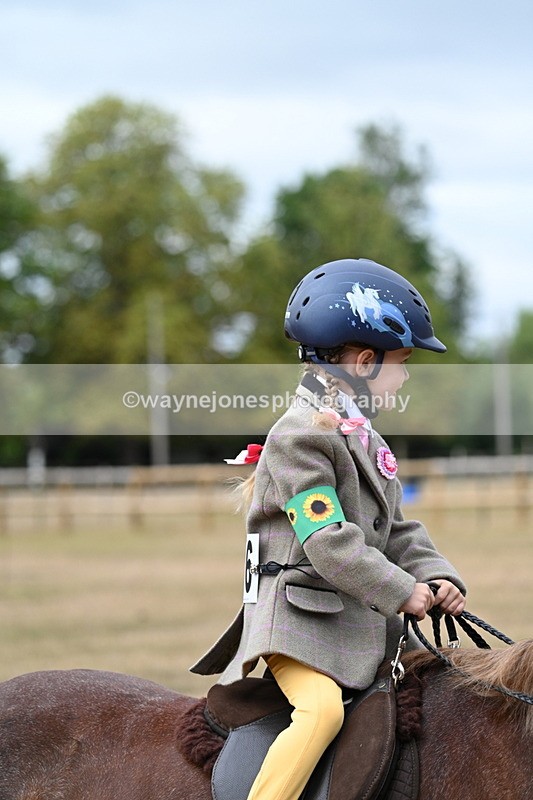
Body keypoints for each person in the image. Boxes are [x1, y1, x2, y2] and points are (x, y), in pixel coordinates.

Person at [191, 258, 466, 800]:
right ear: (365, 362)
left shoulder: (368, 441)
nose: (405, 376)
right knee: (319, 715)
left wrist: (436, 575)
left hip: (349, 620)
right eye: (402, 363)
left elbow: (398, 529)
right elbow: (328, 543)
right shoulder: (298, 437)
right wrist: (400, 591)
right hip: (299, 622)